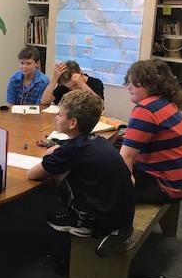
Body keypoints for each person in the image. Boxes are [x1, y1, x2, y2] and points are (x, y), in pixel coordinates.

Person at [28, 89, 134, 257]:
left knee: (58, 171)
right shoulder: (97, 141)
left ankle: (82, 222)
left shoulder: (72, 150)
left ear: (72, 123)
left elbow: (32, 174)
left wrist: (51, 155)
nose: (56, 117)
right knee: (76, 169)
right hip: (123, 214)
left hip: (100, 216)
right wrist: (60, 150)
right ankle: (113, 228)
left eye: (60, 115)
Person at [120, 60, 182, 204]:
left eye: (135, 82)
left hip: (166, 186)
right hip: (181, 182)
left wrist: (122, 188)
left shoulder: (145, 109)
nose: (128, 87)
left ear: (152, 84)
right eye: (128, 82)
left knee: (101, 182)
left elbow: (126, 157)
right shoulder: (165, 102)